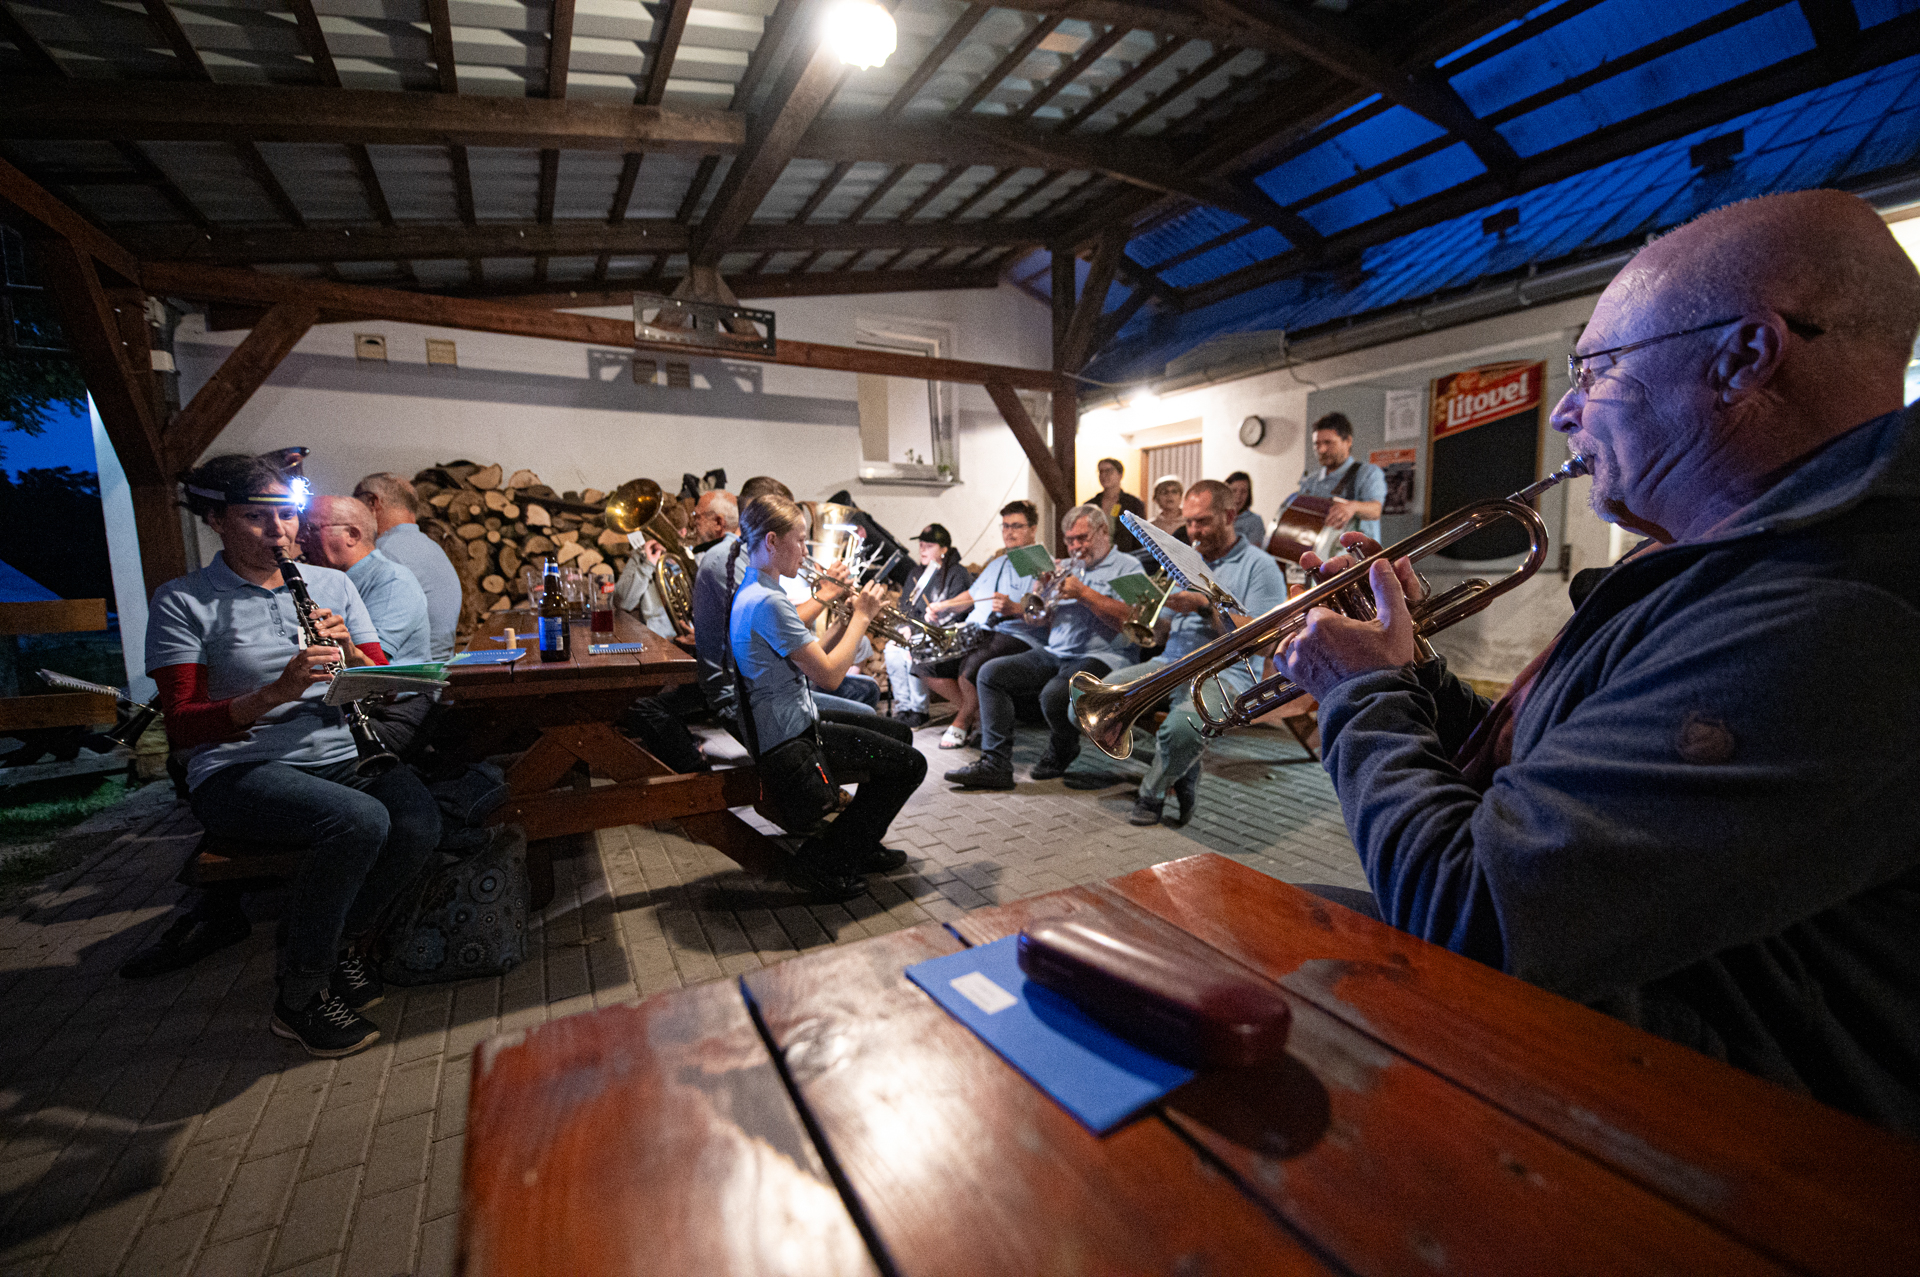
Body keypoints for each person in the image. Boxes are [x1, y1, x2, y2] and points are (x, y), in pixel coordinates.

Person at [1276, 189, 1920, 1134]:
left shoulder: (1836, 608)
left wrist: (1361, 693)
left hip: (1742, 1123)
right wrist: (1408, 671)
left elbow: (1474, 916)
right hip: (1632, 994)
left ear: (1744, 357)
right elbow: (1549, 789)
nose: (1568, 412)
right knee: (1271, 923)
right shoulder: (1733, 557)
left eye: (1598, 368)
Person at [148, 455, 440, 1058]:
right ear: (216, 520)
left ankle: (340, 946)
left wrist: (351, 653)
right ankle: (301, 993)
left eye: (286, 516)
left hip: (339, 752)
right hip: (239, 768)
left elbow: (384, 684)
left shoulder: (333, 586)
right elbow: (182, 725)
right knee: (359, 821)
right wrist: (275, 692)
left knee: (419, 824)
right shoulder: (184, 601)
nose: (279, 531)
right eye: (257, 518)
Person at [728, 494, 927, 899]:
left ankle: (860, 841)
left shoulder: (757, 590)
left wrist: (840, 617)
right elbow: (832, 676)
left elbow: (811, 655)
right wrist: (862, 617)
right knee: (911, 765)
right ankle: (824, 861)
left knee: (899, 736)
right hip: (790, 740)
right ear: (772, 541)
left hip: (791, 722)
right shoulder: (767, 601)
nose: (805, 551)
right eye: (800, 540)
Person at [1088, 479, 1284, 826]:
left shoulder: (1260, 566)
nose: (1193, 531)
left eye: (1202, 521)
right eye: (1189, 521)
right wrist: (1146, 620)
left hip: (1226, 671)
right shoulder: (1185, 560)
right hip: (1171, 661)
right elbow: (1163, 629)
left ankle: (1152, 792)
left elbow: (1264, 641)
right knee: (1092, 707)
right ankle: (1181, 765)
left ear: (1229, 516)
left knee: (1182, 730)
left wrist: (1205, 607)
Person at [946, 505, 1142, 789]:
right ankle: (995, 764)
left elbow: (1133, 620)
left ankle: (1063, 748)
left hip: (1104, 654)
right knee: (989, 673)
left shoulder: (1128, 566)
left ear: (1103, 531)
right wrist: (1042, 591)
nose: (1076, 547)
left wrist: (1084, 594)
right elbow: (1037, 618)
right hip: (1056, 651)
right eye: (1070, 540)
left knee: (1053, 695)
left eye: (1082, 538)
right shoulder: (1067, 567)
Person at [297, 493, 436, 752]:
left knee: (303, 746)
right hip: (352, 706)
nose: (300, 538)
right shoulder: (331, 581)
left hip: (393, 712)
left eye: (311, 528)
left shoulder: (391, 581)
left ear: (352, 534)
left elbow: (372, 673)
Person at [920, 501, 1050, 749]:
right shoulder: (998, 563)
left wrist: (1015, 608)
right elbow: (972, 596)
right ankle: (980, 716)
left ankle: (962, 720)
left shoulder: (1039, 564)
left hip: (1015, 634)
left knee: (972, 666)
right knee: (926, 662)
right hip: (979, 631)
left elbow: (1046, 611)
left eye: (1016, 526)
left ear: (1033, 529)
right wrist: (943, 606)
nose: (1009, 532)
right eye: (1005, 526)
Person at [353, 473, 463, 663]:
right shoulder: (432, 546)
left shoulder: (384, 553)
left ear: (372, 503)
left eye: (356, 505)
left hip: (411, 674)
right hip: (441, 667)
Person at [884, 523, 972, 728]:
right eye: (921, 545)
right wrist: (904, 627)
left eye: (929, 546)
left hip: (944, 634)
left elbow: (956, 613)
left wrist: (918, 631)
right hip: (915, 630)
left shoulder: (957, 573)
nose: (922, 550)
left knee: (913, 651)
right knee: (892, 650)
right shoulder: (916, 573)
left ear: (944, 549)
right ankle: (903, 707)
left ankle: (919, 710)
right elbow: (906, 605)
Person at [1285, 415, 1386, 545]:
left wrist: (1352, 507)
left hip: (1358, 553)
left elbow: (1376, 510)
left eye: (1328, 442)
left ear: (1348, 441)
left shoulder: (1368, 473)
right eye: (1317, 444)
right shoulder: (1311, 481)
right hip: (1317, 552)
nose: (1321, 450)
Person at [1087, 457, 1147, 554]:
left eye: (1108, 471)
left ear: (1120, 475)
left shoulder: (1133, 503)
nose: (1104, 475)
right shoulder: (1091, 504)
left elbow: (1140, 537)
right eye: (1101, 472)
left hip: (1125, 555)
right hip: (1097, 556)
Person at [1223, 471, 1266, 548]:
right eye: (1234, 491)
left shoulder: (1255, 521)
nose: (1238, 496)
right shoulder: (1216, 517)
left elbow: (1252, 551)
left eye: (1243, 492)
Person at [1149, 475, 1187, 539]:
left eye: (1174, 492)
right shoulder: (1151, 526)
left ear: (1181, 497)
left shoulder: (1190, 523)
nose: (1170, 495)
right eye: (1164, 492)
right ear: (1156, 498)